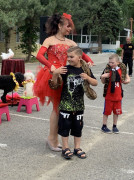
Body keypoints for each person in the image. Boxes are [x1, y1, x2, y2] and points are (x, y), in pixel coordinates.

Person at [34, 13, 94, 152]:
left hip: (68, 75)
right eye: (68, 26)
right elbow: (39, 55)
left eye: (70, 27)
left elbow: (82, 55)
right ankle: (51, 139)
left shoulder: (71, 43)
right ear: (60, 25)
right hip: (55, 75)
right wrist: (51, 67)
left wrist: (89, 61)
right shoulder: (49, 40)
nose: (70, 29)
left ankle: (54, 138)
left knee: (61, 108)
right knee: (56, 108)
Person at [51, 46, 98, 159]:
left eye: (72, 57)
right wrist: (55, 74)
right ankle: (65, 148)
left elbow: (95, 83)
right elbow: (54, 86)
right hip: (66, 104)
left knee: (78, 127)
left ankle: (77, 147)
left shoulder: (85, 70)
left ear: (79, 58)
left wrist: (87, 77)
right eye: (68, 56)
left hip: (79, 105)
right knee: (65, 126)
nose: (69, 59)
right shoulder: (65, 69)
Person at [100, 54, 130, 134]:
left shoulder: (121, 70)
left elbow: (128, 79)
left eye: (112, 63)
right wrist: (103, 77)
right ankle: (104, 126)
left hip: (118, 95)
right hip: (109, 95)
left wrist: (127, 81)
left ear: (118, 62)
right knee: (106, 112)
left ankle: (114, 126)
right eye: (109, 62)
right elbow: (103, 82)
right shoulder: (107, 70)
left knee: (116, 112)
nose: (111, 64)